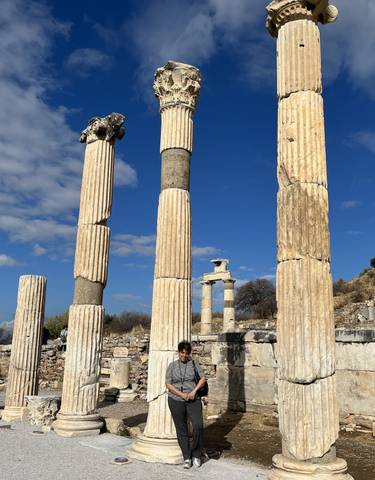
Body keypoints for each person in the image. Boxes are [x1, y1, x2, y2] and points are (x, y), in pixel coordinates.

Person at [165, 340, 207, 469]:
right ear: (178, 352)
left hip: (193, 398)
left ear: (189, 353)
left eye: (186, 353)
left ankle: (196, 454)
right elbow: (168, 384)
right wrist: (180, 394)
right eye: (182, 353)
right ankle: (187, 457)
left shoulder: (194, 363)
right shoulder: (172, 366)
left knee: (198, 425)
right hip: (175, 399)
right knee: (181, 429)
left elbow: (203, 379)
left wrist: (194, 391)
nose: (184, 355)